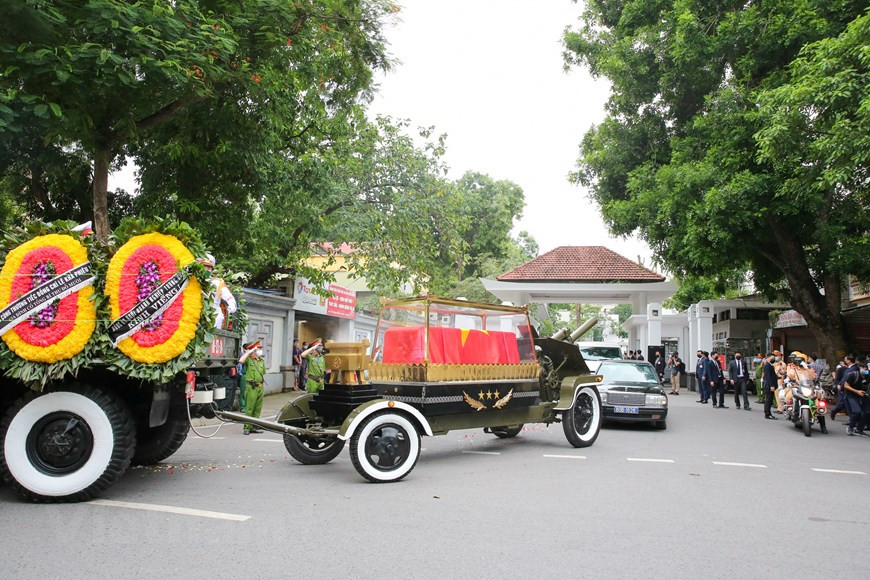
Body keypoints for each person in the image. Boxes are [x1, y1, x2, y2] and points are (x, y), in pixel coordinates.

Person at [199, 254, 237, 329]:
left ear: (212, 270)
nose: (206, 269)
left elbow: (229, 298)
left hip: (214, 315)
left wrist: (231, 307)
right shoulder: (193, 280)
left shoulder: (218, 282)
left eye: (209, 267)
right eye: (204, 267)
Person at [239, 341, 265, 435]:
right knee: (249, 408)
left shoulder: (261, 361)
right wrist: (248, 352)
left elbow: (263, 373)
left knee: (257, 409)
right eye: (258, 348)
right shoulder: (249, 360)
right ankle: (247, 427)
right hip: (251, 387)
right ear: (254, 350)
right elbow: (241, 360)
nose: (260, 350)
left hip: (260, 387)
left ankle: (254, 426)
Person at [842, 360, 870, 436]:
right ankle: (850, 428)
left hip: (863, 395)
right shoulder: (852, 375)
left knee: (867, 412)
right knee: (857, 411)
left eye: (867, 369)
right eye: (864, 368)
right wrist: (857, 391)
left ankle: (859, 429)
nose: (866, 370)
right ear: (860, 368)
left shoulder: (868, 376)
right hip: (851, 395)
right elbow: (846, 385)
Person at [830, 355, 857, 421]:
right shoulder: (844, 369)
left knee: (845, 403)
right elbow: (842, 378)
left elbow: (846, 379)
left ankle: (834, 411)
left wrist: (841, 385)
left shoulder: (853, 368)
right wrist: (839, 385)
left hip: (847, 387)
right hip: (842, 387)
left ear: (849, 360)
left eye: (846, 359)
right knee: (844, 403)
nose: (844, 361)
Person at [763, 353, 779, 420]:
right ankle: (767, 414)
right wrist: (771, 385)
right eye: (773, 357)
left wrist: (779, 377)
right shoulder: (767, 365)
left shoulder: (770, 365)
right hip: (769, 385)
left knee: (769, 399)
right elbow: (768, 377)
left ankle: (768, 413)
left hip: (771, 385)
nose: (774, 359)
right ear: (769, 358)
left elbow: (772, 375)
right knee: (768, 400)